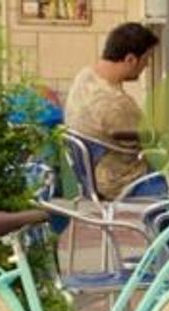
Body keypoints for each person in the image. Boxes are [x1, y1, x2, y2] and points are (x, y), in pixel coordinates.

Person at [64, 22, 159, 200]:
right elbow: (151, 141)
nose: (146, 65)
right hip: (123, 183)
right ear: (130, 60)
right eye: (146, 59)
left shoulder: (84, 77)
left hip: (91, 178)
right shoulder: (116, 103)